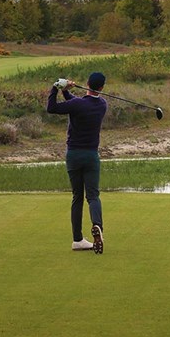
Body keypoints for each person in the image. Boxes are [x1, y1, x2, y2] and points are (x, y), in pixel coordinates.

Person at [46, 72, 108, 253]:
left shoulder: (77, 104)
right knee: (93, 196)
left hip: (73, 155)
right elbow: (77, 104)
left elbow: (52, 108)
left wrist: (56, 87)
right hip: (91, 156)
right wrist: (66, 91)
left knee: (77, 197)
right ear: (102, 88)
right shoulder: (102, 105)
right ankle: (97, 225)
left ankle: (77, 240)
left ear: (87, 83)